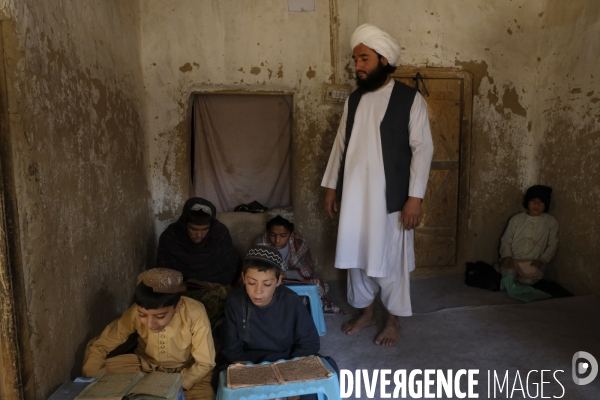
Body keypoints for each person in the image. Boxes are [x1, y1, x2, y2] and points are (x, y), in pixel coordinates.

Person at [321, 23, 434, 346]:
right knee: (357, 258)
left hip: (391, 199)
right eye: (356, 59)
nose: (357, 65)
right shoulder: (355, 100)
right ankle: (368, 313)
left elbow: (423, 149)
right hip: (355, 197)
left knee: (389, 260)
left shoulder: (410, 99)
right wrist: (332, 187)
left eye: (364, 59)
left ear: (384, 59)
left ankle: (393, 320)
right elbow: (340, 145)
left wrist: (415, 198)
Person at [214, 245, 338, 399]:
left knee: (325, 375)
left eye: (267, 284)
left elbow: (309, 342)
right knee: (226, 382)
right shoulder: (235, 302)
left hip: (288, 360)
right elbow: (231, 349)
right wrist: (262, 384)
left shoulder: (291, 301)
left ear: (279, 280)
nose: (258, 291)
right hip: (250, 363)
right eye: (252, 282)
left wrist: (293, 384)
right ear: (244, 278)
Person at [82, 268, 216, 400]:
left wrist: (180, 383)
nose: (151, 323)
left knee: (204, 396)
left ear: (179, 305)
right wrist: (93, 378)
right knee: (101, 380)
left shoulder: (195, 314)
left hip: (185, 370)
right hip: (143, 366)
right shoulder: (134, 312)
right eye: (143, 315)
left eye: (160, 316)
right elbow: (100, 345)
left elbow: (205, 363)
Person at [156, 197, 239, 325]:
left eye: (205, 229)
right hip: (183, 291)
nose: (199, 235)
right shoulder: (171, 238)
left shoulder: (219, 234)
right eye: (193, 229)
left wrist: (212, 286)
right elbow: (164, 274)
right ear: (185, 224)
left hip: (216, 289)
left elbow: (229, 266)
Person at [253, 209, 344, 314]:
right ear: (267, 233)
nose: (277, 240)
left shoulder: (298, 241)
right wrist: (275, 276)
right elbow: (256, 272)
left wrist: (284, 274)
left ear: (291, 234)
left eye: (283, 236)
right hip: (271, 284)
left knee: (318, 284)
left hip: (294, 280)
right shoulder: (261, 243)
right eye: (272, 235)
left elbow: (308, 272)